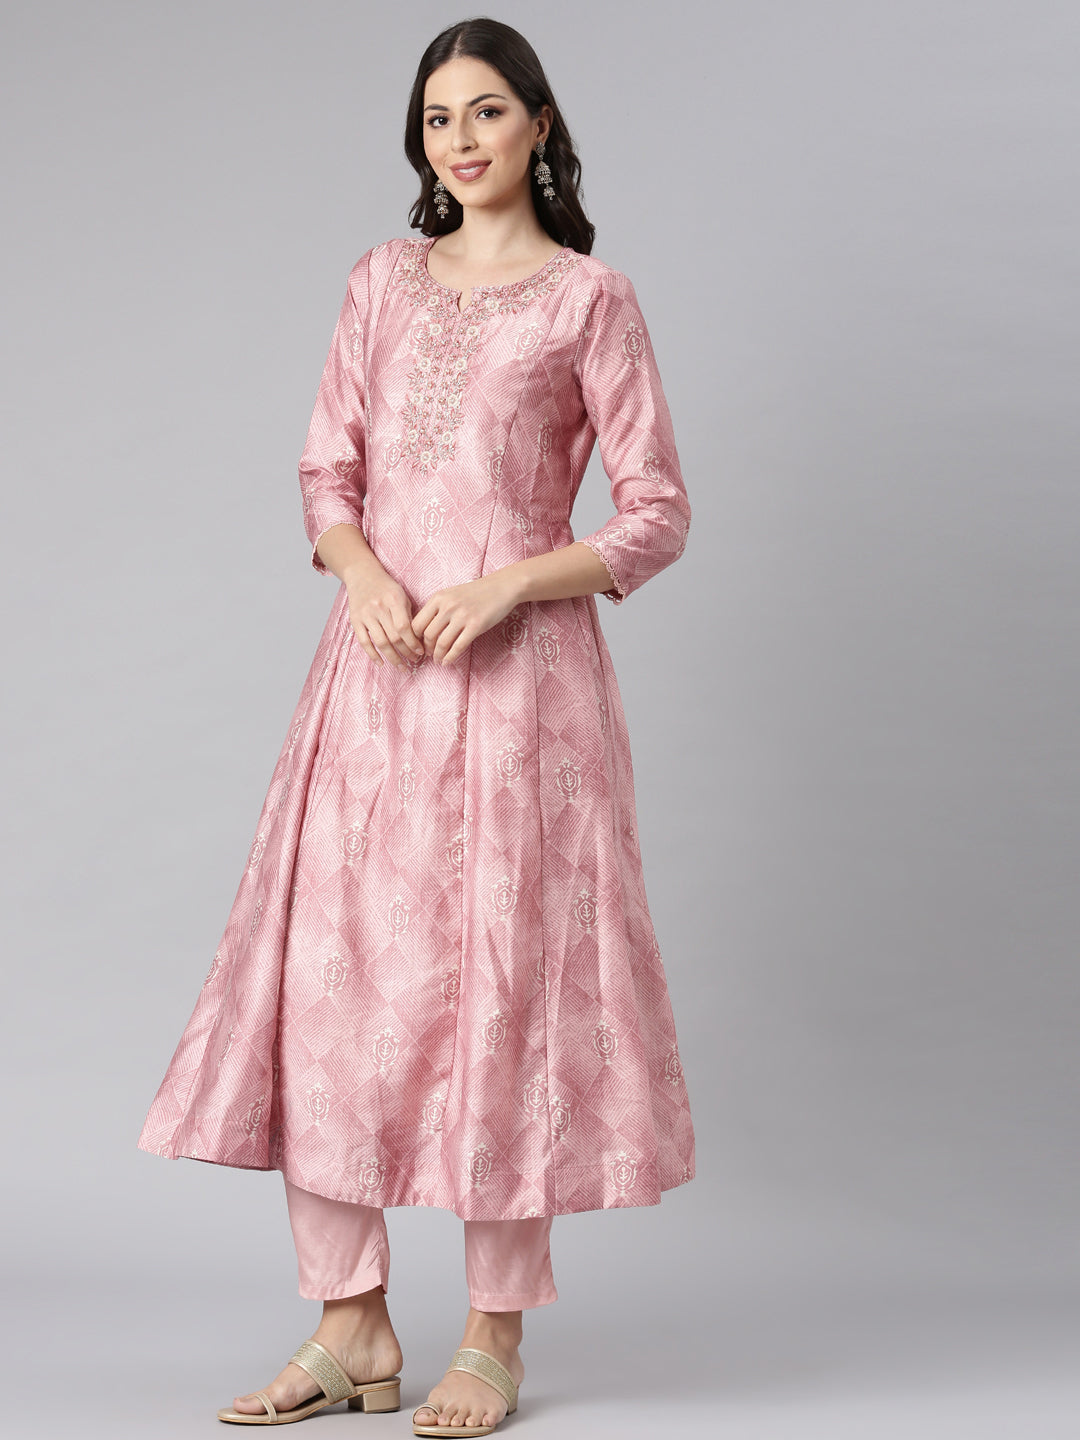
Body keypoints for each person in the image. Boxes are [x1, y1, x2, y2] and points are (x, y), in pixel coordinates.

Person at [136, 16, 696, 1436]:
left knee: (505, 994)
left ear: (540, 126)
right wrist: (365, 575)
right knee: (336, 992)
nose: (461, 139)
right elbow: (327, 471)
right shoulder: (380, 282)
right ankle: (352, 1326)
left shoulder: (591, 301)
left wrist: (510, 582)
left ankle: (493, 1335)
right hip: (374, 682)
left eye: (487, 111)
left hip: (522, 699)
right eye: (439, 117)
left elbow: (656, 513)